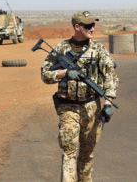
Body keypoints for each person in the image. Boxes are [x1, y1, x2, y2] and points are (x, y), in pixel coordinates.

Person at [41, 10, 119, 182]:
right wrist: (64, 73)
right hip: (68, 108)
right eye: (88, 25)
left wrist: (107, 103)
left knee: (87, 155)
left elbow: (110, 77)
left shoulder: (98, 49)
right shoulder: (61, 48)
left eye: (93, 25)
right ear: (77, 27)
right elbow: (45, 74)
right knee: (69, 152)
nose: (93, 28)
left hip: (92, 108)